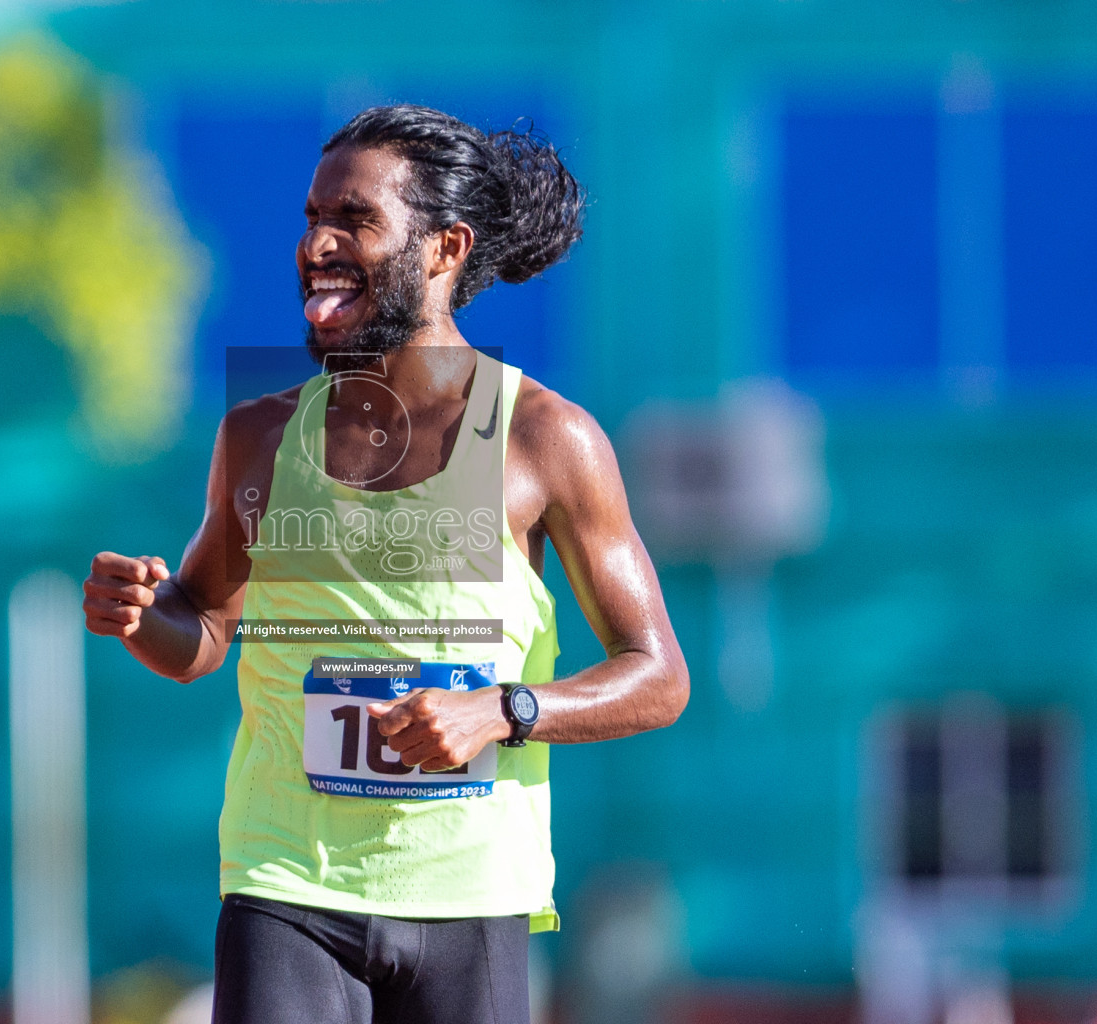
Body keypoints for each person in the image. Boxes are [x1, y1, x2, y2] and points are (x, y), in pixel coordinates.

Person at [83, 104, 688, 1024]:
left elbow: (659, 677)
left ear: (444, 249)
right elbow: (201, 629)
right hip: (287, 881)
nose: (317, 245)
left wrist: (502, 710)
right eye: (310, 220)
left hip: (469, 896)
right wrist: (140, 616)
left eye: (354, 221)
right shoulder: (259, 438)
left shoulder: (544, 439)